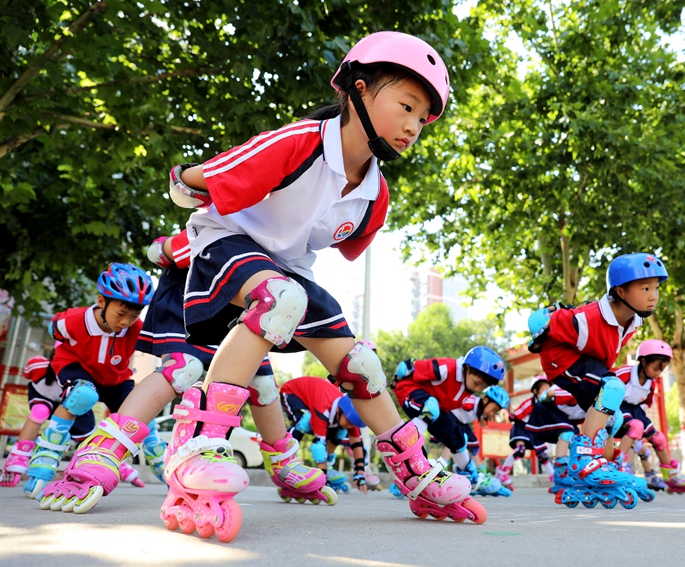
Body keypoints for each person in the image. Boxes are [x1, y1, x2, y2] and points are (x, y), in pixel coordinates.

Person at [159, 31, 484, 541]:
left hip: (289, 268)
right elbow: (204, 179)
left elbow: (342, 244)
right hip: (226, 241)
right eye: (406, 105)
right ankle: (196, 444)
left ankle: (413, 469)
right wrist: (183, 179)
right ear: (358, 90)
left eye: (423, 117)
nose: (414, 125)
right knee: (278, 300)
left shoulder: (375, 196)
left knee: (361, 362)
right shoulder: (298, 143)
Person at [39, 233, 325, 517]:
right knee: (183, 367)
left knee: (261, 382)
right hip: (196, 283)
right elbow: (172, 225)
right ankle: (105, 450)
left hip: (250, 292)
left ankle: (282, 463)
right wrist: (173, 246)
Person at [527, 252, 668, 509]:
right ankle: (585, 460)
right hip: (562, 361)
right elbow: (543, 321)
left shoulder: (633, 322)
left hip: (588, 364)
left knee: (613, 418)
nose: (653, 295)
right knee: (613, 386)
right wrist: (543, 320)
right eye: (645, 288)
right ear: (621, 292)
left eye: (656, 288)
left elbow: (606, 350)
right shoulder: (586, 319)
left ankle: (596, 467)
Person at [21, 263, 153, 500]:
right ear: (101, 302)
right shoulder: (73, 320)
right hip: (78, 368)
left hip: (115, 378)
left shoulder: (137, 330)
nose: (125, 322)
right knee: (83, 396)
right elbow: (56, 332)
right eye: (120, 314)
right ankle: (43, 463)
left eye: (133, 316)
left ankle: (165, 467)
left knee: (140, 410)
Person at [0, 354, 144, 489]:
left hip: (74, 405)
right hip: (46, 398)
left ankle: (118, 465)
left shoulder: (86, 372)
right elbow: (30, 372)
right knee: (39, 411)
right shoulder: (40, 365)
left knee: (89, 439)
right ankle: (19, 456)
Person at [392, 347, 509, 498]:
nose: (477, 389)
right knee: (430, 408)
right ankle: (407, 462)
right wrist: (397, 377)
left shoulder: (468, 390)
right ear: (467, 368)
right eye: (477, 383)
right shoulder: (447, 369)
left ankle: (470, 476)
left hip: (436, 408)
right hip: (409, 391)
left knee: (458, 437)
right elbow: (409, 367)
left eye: (482, 387)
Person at [615, 339, 685, 495]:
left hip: (635, 410)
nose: (657, 373)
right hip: (615, 406)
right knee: (636, 426)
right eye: (656, 368)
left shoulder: (651, 384)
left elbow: (644, 406)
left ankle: (672, 477)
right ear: (643, 361)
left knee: (658, 439)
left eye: (661, 370)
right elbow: (605, 390)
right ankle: (617, 467)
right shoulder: (624, 374)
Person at [279, 376, 367, 496]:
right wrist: (322, 481)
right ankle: (284, 459)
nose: (351, 425)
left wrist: (360, 473)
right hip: (293, 392)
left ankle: (328, 467)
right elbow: (319, 446)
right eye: (350, 421)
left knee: (339, 432)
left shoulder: (348, 415)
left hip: (315, 399)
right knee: (305, 421)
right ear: (340, 411)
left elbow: (357, 443)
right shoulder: (323, 409)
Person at [495, 377, 555, 490]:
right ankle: (502, 473)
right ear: (536, 391)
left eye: (548, 390)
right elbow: (521, 411)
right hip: (522, 427)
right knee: (520, 450)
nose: (546, 392)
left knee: (542, 455)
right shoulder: (531, 402)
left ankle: (554, 478)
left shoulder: (549, 406)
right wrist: (514, 416)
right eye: (543, 390)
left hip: (535, 431)